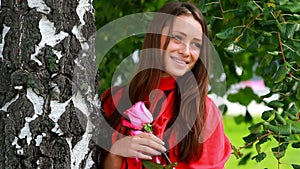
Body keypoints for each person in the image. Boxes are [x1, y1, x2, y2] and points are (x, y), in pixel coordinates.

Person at [100, 1, 232, 169]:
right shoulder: (115, 99)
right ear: (156, 36)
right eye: (178, 38)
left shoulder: (204, 113)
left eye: (196, 44)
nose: (186, 51)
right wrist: (117, 151)